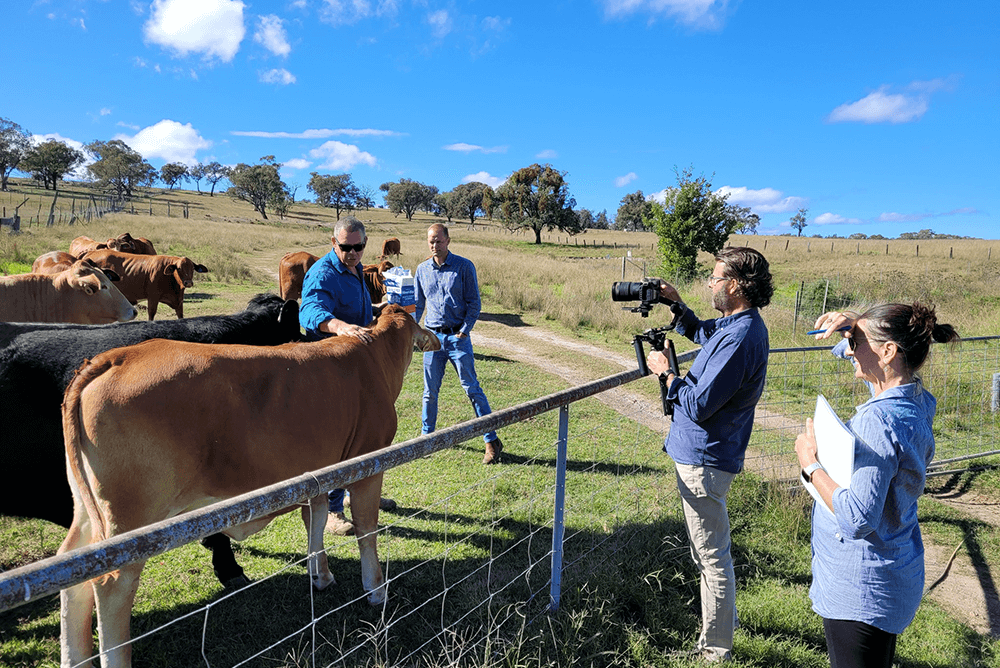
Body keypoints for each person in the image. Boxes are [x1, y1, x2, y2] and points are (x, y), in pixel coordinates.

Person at [796, 304, 959, 668]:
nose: (849, 350)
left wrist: (811, 465)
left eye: (856, 342)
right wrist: (852, 324)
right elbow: (852, 352)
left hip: (861, 589)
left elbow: (856, 518)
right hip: (891, 574)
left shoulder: (878, 420)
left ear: (888, 352)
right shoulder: (915, 398)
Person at [645, 246, 774, 663]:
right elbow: (705, 334)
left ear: (735, 285)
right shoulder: (737, 326)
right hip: (706, 457)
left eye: (716, 278)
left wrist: (666, 371)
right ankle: (718, 636)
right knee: (709, 553)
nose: (710, 284)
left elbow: (699, 405)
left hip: (705, 461)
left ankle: (715, 649)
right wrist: (676, 305)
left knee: (713, 559)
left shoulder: (741, 337)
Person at [299, 216, 394, 536]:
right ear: (333, 243)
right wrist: (338, 326)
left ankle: (361, 493)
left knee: (365, 435)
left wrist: (378, 308)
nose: (352, 253)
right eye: (345, 247)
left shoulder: (355, 270)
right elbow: (309, 311)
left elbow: (358, 311)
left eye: (358, 247)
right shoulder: (323, 273)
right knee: (342, 440)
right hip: (331, 372)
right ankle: (333, 511)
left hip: (357, 368)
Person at [414, 223, 503, 464]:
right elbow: (418, 305)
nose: (435, 245)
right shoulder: (421, 270)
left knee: (471, 388)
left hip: (457, 338)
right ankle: (426, 440)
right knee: (429, 393)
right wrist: (414, 331)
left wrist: (463, 332)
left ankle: (491, 440)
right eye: (431, 241)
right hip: (432, 339)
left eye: (439, 241)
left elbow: (474, 303)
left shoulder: (464, 266)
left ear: (448, 241)